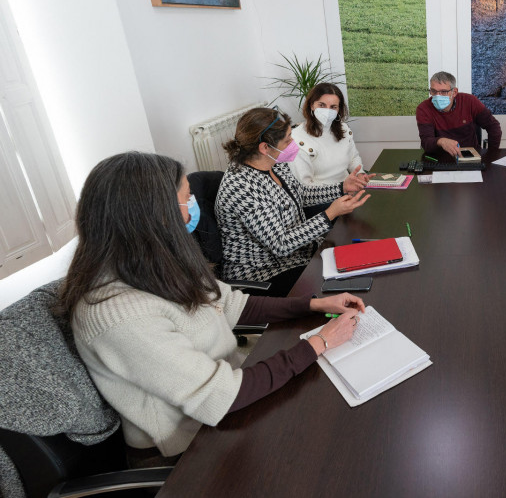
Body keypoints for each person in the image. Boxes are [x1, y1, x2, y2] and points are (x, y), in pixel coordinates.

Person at [61, 152, 365, 465]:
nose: (194, 204)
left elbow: (232, 303)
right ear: (154, 215)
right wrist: (321, 342)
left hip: (229, 396)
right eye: (186, 197)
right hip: (190, 445)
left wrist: (313, 304)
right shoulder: (118, 315)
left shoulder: (157, 263)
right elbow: (219, 395)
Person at [216, 107, 370, 296]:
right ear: (264, 147)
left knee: (356, 264)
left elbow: (301, 194)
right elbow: (281, 244)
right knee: (340, 287)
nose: (293, 143)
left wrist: (342, 188)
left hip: (297, 256)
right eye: (288, 139)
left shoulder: (274, 163)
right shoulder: (242, 188)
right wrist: (330, 213)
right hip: (262, 274)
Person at [289, 83, 369, 186]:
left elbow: (353, 158)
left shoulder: (344, 129)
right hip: (321, 198)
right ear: (312, 105)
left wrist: (360, 174)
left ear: (338, 109)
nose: (327, 111)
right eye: (322, 105)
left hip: (349, 189)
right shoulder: (296, 138)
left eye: (333, 107)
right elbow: (304, 186)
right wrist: (340, 190)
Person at [415, 71, 502, 157]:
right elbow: (426, 142)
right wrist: (441, 141)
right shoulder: (423, 109)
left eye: (443, 92)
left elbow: (493, 126)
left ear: (454, 92)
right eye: (434, 91)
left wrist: (491, 155)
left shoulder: (470, 101)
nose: (438, 96)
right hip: (439, 158)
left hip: (470, 156)